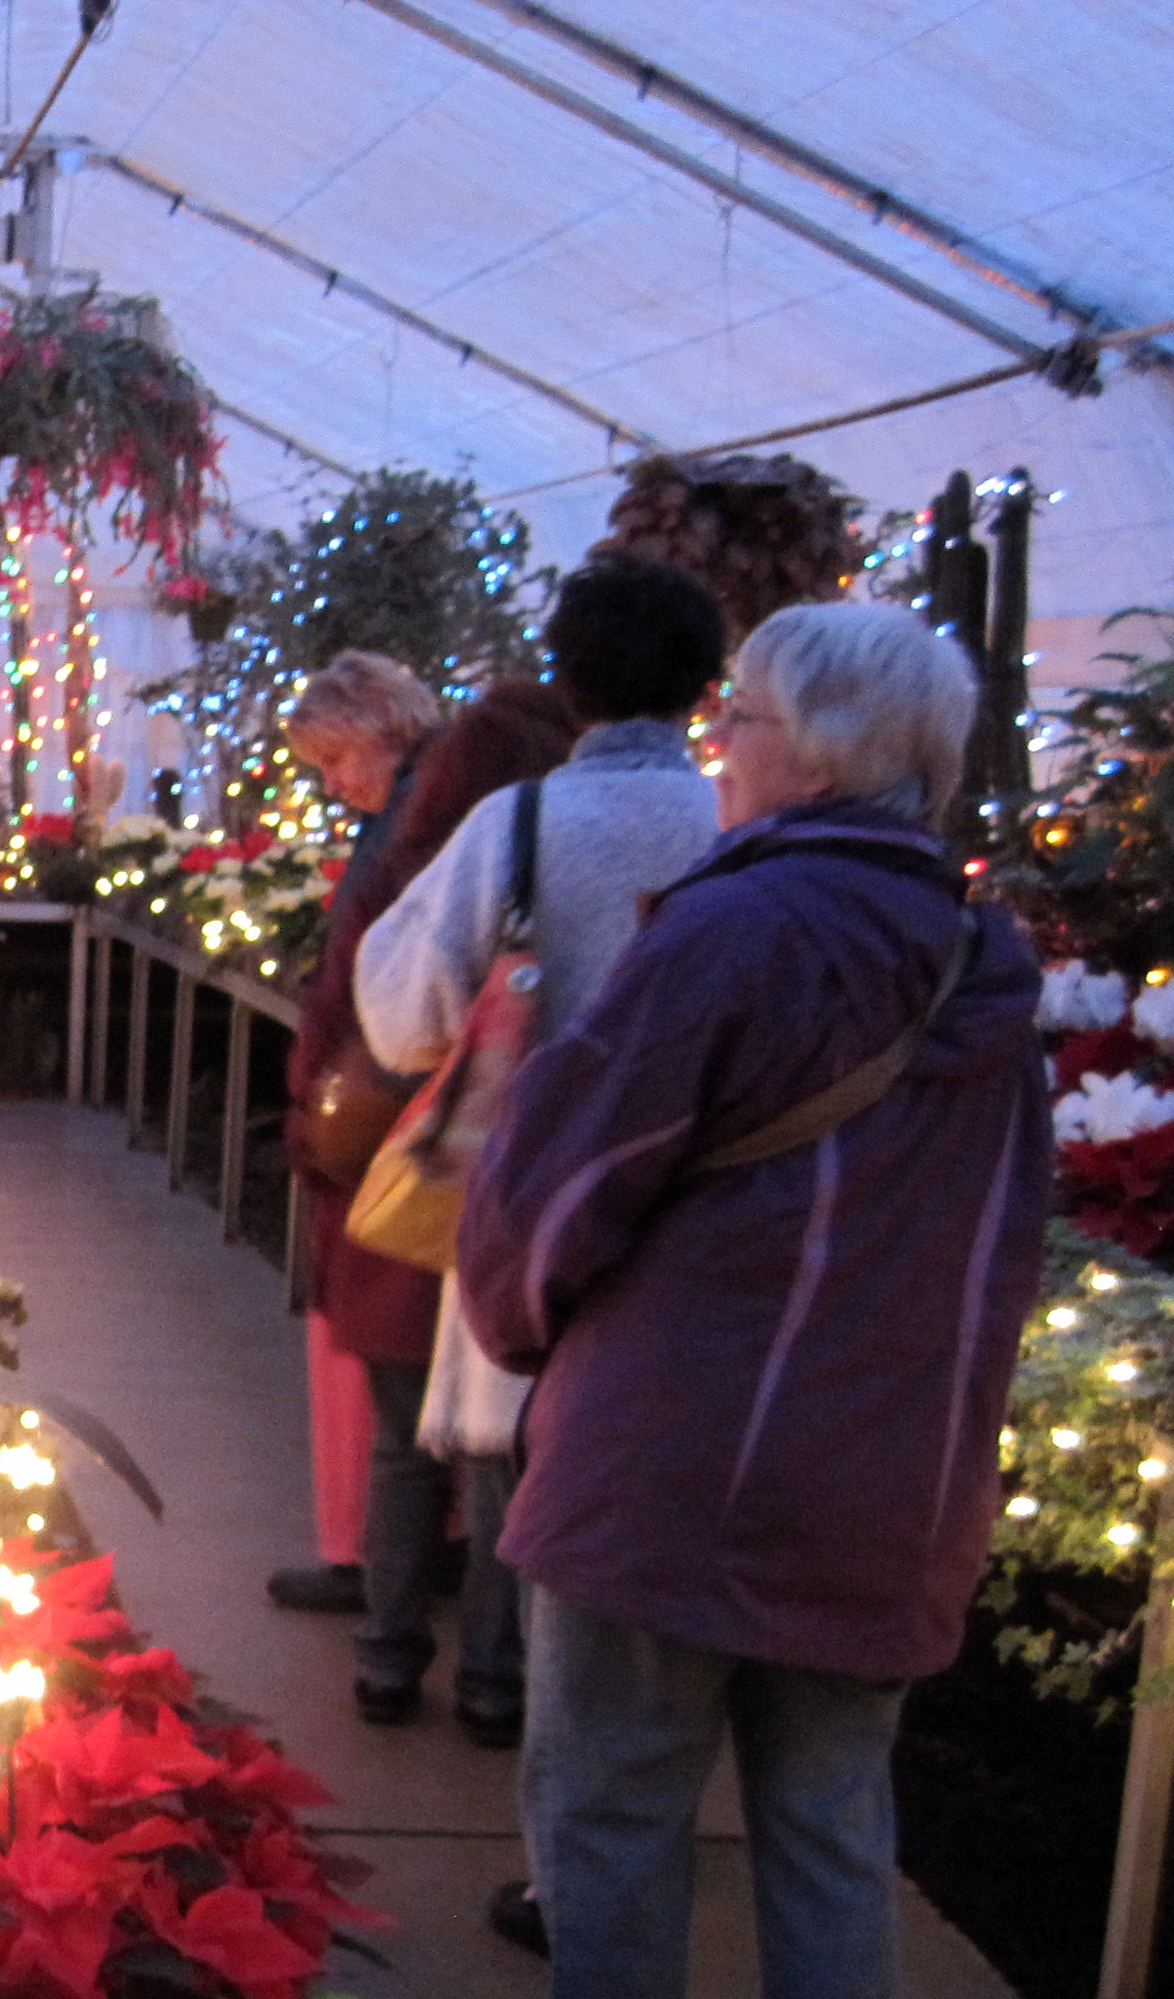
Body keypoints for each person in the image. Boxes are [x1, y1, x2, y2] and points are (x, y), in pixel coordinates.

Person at [435, 600, 1051, 1999]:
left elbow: (563, 1177)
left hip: (681, 1454)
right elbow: (1009, 1235)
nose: (727, 746)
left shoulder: (733, 927)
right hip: (886, 1469)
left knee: (617, 1812)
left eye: (749, 723)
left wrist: (515, 1319)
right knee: (832, 1829)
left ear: (816, 750)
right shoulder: (979, 958)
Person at [352, 555, 731, 1806]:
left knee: (516, 1447)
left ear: (565, 680)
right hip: (695, 1212)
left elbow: (406, 1014)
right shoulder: (738, 832)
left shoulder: (514, 825)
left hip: (526, 1189)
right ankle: (567, 1723)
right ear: (705, 686)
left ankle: (491, 1687)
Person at [273, 655, 574, 1741]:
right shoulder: (640, 831)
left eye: (338, 758)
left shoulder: (441, 843)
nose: (336, 783)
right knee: (502, 1448)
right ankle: (494, 1685)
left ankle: (389, 1661)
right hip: (546, 1181)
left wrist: (319, 1103)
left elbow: (389, 1010)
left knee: (413, 1434)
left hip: (423, 1159)